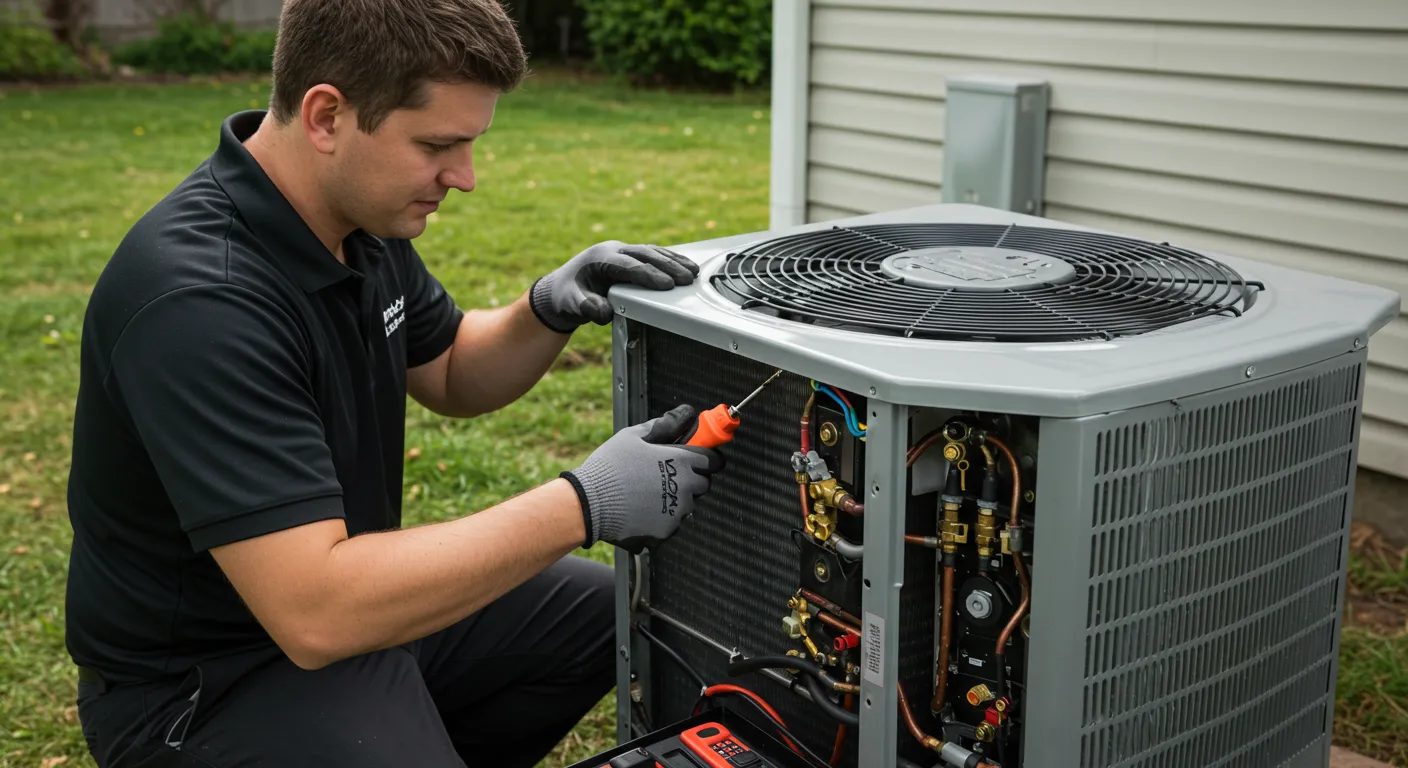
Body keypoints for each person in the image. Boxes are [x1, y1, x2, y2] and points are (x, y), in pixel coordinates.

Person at [62, 1, 724, 765]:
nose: (464, 178)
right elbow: (316, 614)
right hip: (210, 683)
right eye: (438, 145)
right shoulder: (200, 301)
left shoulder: (352, 223)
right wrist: (585, 503)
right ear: (326, 116)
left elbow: (448, 370)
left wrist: (544, 309)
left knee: (606, 616)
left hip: (351, 609)